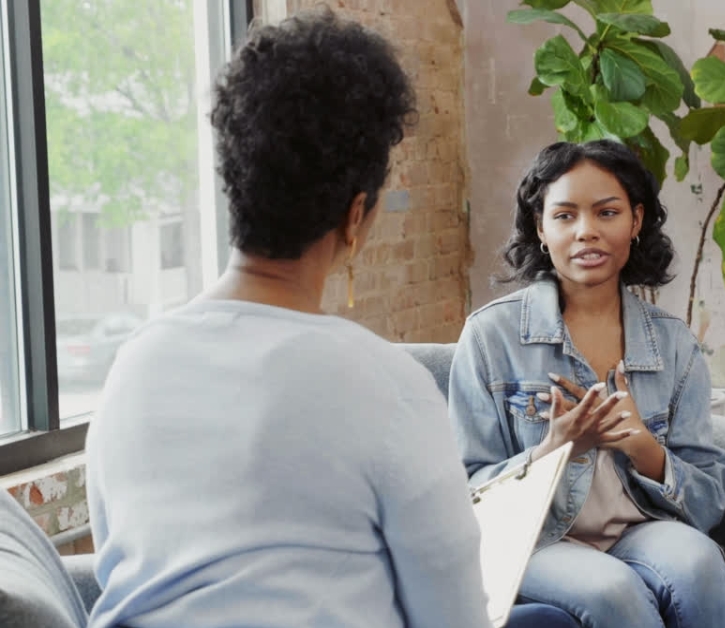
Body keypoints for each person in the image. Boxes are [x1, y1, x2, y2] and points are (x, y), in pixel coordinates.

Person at [84, 10, 575, 628]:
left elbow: (119, 564)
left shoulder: (135, 362)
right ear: (356, 214)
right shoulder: (382, 382)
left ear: (236, 185)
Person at [448, 140, 725, 628]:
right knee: (613, 589)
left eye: (607, 213)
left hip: (638, 529)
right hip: (537, 539)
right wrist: (555, 449)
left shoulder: (672, 344)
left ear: (636, 220)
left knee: (699, 561)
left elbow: (707, 496)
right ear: (541, 227)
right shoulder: (488, 336)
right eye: (565, 216)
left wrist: (645, 447)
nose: (587, 232)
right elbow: (466, 494)